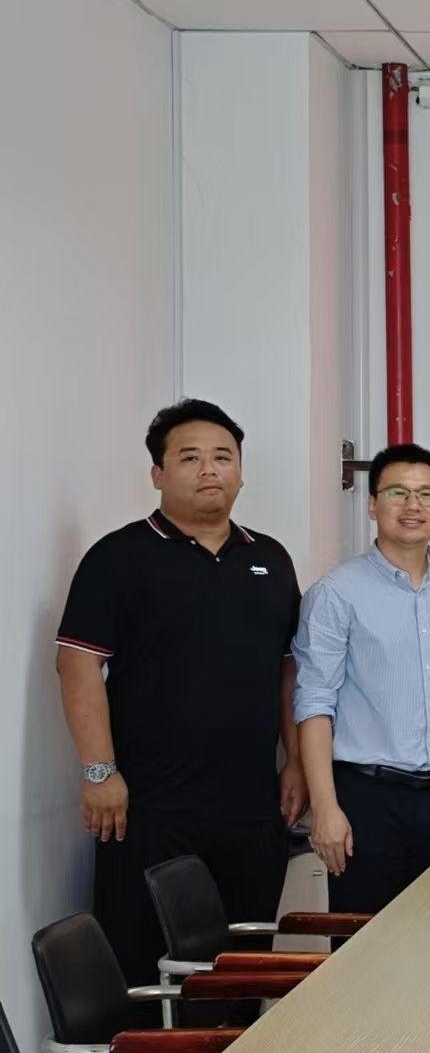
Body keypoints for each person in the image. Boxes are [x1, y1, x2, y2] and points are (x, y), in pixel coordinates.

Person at [56, 399, 303, 986]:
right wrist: (99, 772)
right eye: (190, 458)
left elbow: (290, 671)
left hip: (251, 809)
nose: (209, 469)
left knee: (240, 969)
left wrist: (295, 761)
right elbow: (77, 665)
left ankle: (232, 1051)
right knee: (143, 969)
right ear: (158, 474)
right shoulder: (118, 556)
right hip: (148, 808)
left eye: (223, 457)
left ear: (241, 472)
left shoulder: (270, 559)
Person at [291, 444, 430, 913]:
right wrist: (325, 807)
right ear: (372, 505)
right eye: (398, 492)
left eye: (427, 494)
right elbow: (314, 705)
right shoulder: (336, 593)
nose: (413, 505)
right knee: (363, 939)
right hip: (368, 800)